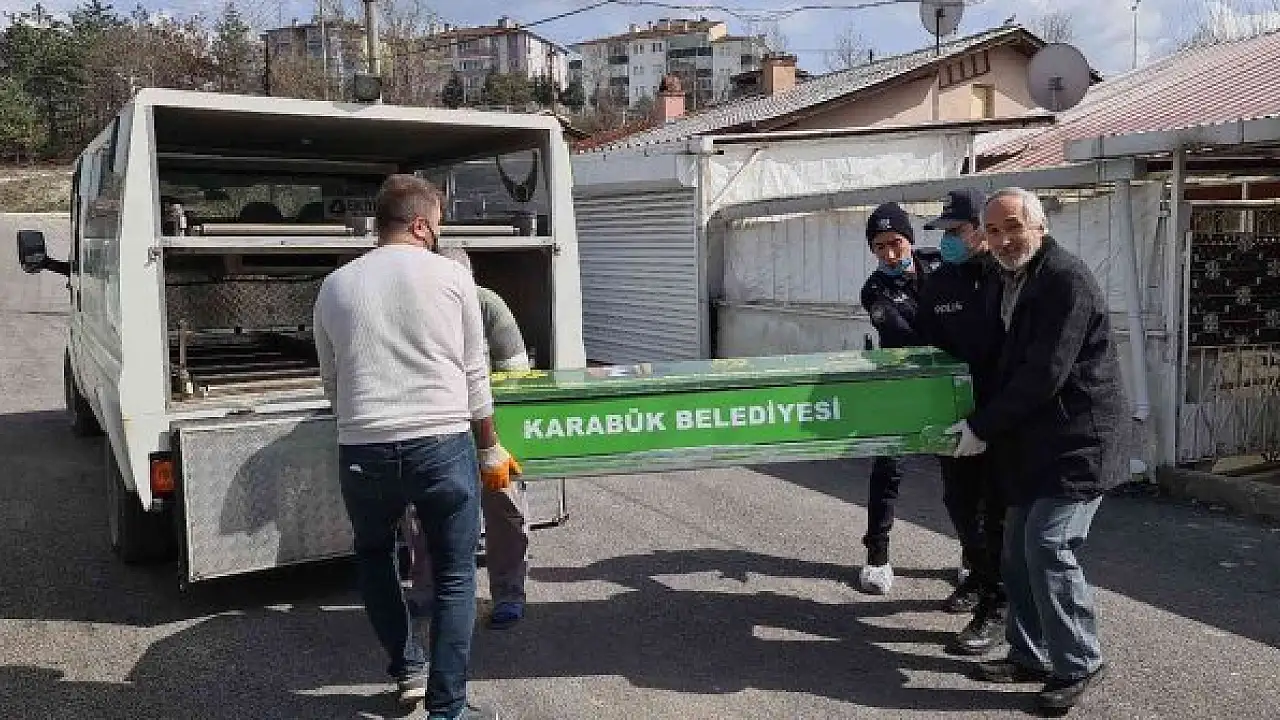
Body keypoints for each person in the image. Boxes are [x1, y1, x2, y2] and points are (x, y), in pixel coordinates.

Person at [312, 174, 518, 720]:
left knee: (375, 558)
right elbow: (475, 375)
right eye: (440, 223)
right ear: (422, 225)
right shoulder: (453, 278)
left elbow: (331, 380)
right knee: (454, 574)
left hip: (364, 446)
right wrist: (490, 448)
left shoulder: (335, 285)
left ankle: (408, 671)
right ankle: (447, 710)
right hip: (441, 444)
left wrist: (363, 426)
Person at [948, 187, 1123, 714]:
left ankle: (1081, 661)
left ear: (1040, 227)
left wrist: (980, 426)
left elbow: (1045, 373)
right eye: (993, 230)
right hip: (1031, 445)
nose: (1004, 239)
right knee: (1016, 552)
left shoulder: (1065, 280)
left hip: (1078, 443)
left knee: (1048, 545)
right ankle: (1030, 654)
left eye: (1013, 227)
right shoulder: (1008, 279)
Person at [402, 246, 533, 630]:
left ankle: (508, 594)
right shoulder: (416, 309)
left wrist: (490, 440)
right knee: (423, 510)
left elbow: (515, 376)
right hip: (433, 420)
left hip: (488, 422)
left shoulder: (488, 306)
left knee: (504, 507)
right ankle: (426, 589)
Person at [917, 188, 1008, 656]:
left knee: (998, 516)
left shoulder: (1008, 278)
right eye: (945, 231)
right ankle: (979, 575)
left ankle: (998, 603)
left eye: (957, 230)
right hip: (955, 419)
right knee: (960, 504)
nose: (948, 239)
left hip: (1004, 418)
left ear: (982, 231)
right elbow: (926, 351)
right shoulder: (939, 283)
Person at [857, 201, 942, 594]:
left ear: (910, 239)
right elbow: (904, 334)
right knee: (888, 472)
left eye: (896, 243)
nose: (890, 254)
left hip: (950, 386)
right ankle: (877, 556)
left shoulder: (939, 265)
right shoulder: (874, 290)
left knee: (965, 480)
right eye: (880, 247)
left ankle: (975, 559)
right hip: (903, 388)